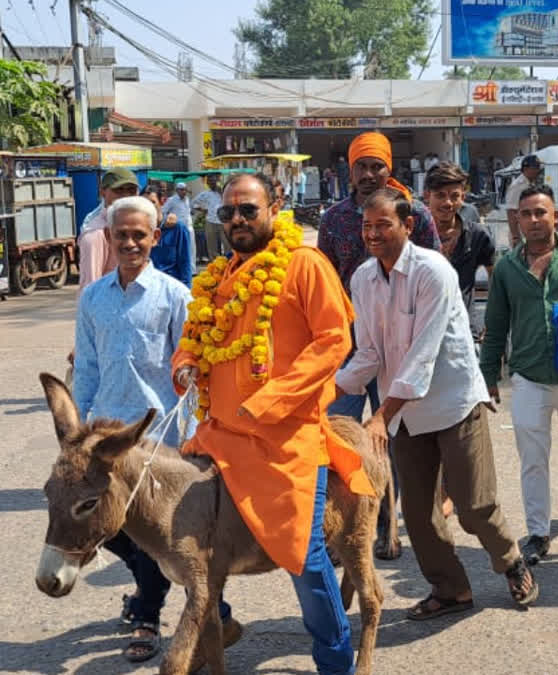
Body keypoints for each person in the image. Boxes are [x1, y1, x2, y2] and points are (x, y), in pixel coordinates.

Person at [172, 172, 374, 674]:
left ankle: (336, 663)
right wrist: (184, 362)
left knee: (304, 559)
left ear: (275, 206)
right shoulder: (219, 276)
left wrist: (270, 402)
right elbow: (197, 337)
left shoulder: (304, 264)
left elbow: (333, 342)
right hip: (217, 437)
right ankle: (213, 627)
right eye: (228, 213)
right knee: (179, 537)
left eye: (248, 210)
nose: (237, 221)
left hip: (287, 442)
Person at [338, 187, 539, 620]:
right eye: (366, 226)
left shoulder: (435, 271)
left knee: (473, 505)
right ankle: (450, 590)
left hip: (452, 403)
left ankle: (511, 561)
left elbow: (422, 358)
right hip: (405, 413)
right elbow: (369, 353)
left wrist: (379, 417)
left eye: (382, 225)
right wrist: (325, 394)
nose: (372, 234)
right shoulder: (363, 279)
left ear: (408, 225)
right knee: (418, 513)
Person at [73, 196, 238, 666]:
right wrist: (79, 432)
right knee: (113, 529)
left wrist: (193, 424)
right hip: (105, 435)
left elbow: (189, 365)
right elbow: (86, 365)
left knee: (154, 533)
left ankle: (147, 614)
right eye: (120, 234)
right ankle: (216, 611)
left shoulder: (174, 296)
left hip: (158, 437)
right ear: (108, 238)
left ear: (154, 238)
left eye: (138, 235)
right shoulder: (93, 298)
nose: (129, 242)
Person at [318, 131, 441, 559]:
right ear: (348, 171)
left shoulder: (416, 215)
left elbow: (433, 275)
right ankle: (342, 530)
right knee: (341, 440)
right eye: (361, 167)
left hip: (401, 350)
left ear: (391, 169)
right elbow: (325, 284)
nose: (369, 174)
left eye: (377, 166)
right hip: (350, 348)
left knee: (391, 438)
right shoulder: (333, 220)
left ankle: (388, 526)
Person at [480, 183, 558, 565]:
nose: (534, 220)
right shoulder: (507, 267)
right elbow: (496, 323)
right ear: (517, 221)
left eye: (541, 212)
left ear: (556, 216)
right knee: (532, 458)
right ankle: (538, 533)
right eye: (527, 214)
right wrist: (488, 375)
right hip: (529, 376)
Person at [424, 162, 496, 313]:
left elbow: (495, 279)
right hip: (421, 327)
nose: (447, 203)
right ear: (427, 196)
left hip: (464, 329)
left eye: (454, 196)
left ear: (463, 197)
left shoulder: (478, 235)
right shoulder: (412, 237)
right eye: (440, 195)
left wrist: (491, 321)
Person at [77, 169, 138, 289]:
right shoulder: (96, 233)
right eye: (119, 190)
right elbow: (90, 286)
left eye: (131, 190)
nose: (126, 196)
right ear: (102, 192)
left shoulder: (135, 223)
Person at [504, 155, 543, 249]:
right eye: (534, 167)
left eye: (538, 167)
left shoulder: (531, 184)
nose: (537, 170)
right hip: (521, 232)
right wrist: (516, 237)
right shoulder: (518, 185)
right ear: (525, 168)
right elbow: (511, 211)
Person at [161, 182, 195, 270]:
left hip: (189, 227)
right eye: (181, 190)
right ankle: (179, 268)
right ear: (177, 190)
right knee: (179, 249)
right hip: (177, 228)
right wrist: (167, 222)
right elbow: (163, 211)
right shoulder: (172, 200)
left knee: (191, 249)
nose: (184, 192)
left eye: (185, 190)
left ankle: (192, 269)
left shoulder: (187, 199)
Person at [192, 176, 226, 260]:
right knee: (211, 245)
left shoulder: (224, 192)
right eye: (210, 182)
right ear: (208, 184)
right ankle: (214, 264)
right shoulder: (205, 194)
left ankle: (228, 262)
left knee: (227, 244)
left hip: (223, 221)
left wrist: (221, 192)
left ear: (217, 182)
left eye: (214, 181)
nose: (212, 183)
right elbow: (193, 203)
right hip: (210, 221)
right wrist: (202, 209)